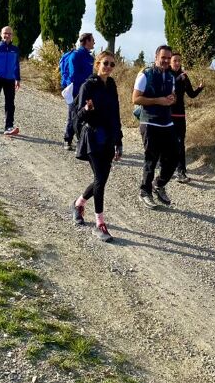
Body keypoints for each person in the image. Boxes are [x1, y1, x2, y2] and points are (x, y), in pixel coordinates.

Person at [72, 51, 123, 242]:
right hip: (92, 137)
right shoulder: (88, 85)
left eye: (112, 64)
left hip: (109, 138)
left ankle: (78, 204)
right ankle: (99, 223)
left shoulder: (111, 85)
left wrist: (119, 140)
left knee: (100, 180)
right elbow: (78, 115)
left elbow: (116, 114)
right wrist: (86, 109)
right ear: (97, 64)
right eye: (105, 63)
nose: (108, 67)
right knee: (100, 179)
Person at [132, 45, 178, 208]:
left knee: (174, 156)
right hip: (149, 122)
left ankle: (158, 184)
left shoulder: (171, 76)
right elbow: (136, 99)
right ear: (156, 57)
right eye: (163, 57)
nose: (165, 60)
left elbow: (171, 96)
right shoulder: (146, 74)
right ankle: (145, 192)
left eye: (168, 58)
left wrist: (172, 99)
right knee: (151, 159)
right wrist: (158, 100)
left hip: (167, 122)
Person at [170, 52, 204, 182]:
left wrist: (199, 88)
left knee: (180, 143)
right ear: (170, 61)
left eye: (179, 60)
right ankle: (166, 166)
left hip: (179, 115)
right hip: (167, 115)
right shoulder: (166, 75)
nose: (177, 63)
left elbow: (191, 94)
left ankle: (181, 172)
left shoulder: (184, 76)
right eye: (175, 60)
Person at [63, 33, 95, 150]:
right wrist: (80, 89)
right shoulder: (76, 55)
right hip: (76, 90)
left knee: (84, 115)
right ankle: (68, 140)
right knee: (73, 115)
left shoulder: (90, 57)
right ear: (86, 41)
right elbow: (73, 75)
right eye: (92, 40)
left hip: (86, 91)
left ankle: (81, 141)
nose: (94, 43)